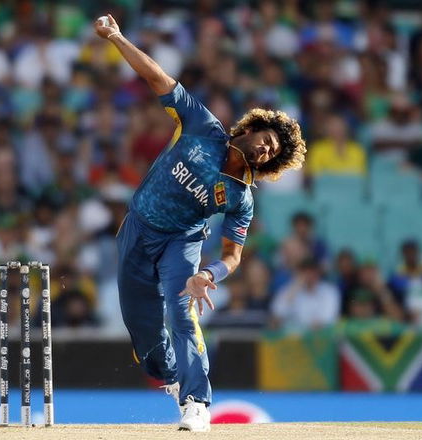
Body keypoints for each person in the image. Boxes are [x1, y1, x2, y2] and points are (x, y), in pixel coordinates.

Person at [95, 14, 306, 432]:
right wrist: (117, 37)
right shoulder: (202, 126)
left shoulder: (241, 196)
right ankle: (172, 379)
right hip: (138, 227)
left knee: (180, 311)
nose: (266, 149)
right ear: (252, 127)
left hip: (182, 241)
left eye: (273, 153)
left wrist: (208, 274)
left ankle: (197, 401)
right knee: (144, 333)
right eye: (267, 139)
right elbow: (158, 78)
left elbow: (233, 255)